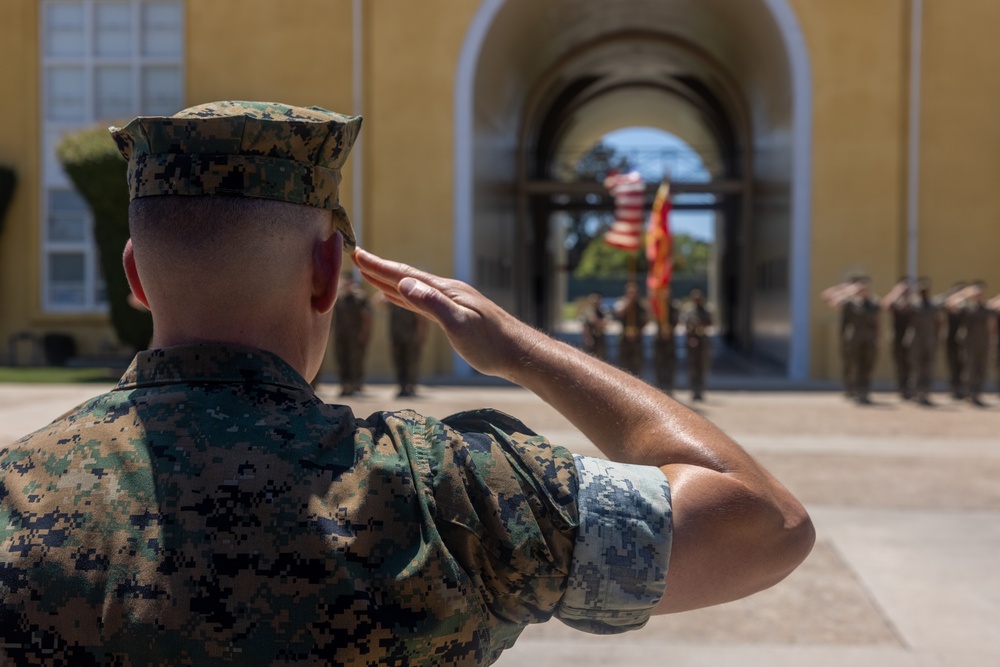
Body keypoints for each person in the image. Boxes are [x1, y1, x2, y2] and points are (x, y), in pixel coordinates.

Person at [0, 101, 814, 665]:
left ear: (137, 277)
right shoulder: (447, 493)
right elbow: (761, 522)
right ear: (328, 272)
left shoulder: (15, 497)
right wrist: (522, 350)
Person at [822, 275, 880, 404]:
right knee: (851, 366)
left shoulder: (873, 303)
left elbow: (877, 322)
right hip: (852, 340)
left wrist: (877, 338)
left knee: (866, 366)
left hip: (868, 340)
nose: (864, 290)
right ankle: (851, 389)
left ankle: (863, 391)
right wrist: (846, 289)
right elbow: (827, 297)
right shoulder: (849, 302)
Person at [947, 281, 992, 406]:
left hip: (983, 343)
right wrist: (965, 293)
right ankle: (969, 392)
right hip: (969, 343)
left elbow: (991, 322)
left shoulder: (985, 308)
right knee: (969, 369)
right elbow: (950, 305)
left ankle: (977, 393)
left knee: (981, 369)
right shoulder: (966, 307)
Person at [333, 272, 371, 396]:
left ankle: (355, 385)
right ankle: (345, 386)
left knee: (355, 361)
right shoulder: (338, 298)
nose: (347, 285)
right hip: (341, 335)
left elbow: (366, 317)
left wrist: (364, 333)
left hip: (355, 336)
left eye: (349, 282)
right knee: (342, 359)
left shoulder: (359, 298)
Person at [880, 278, 913, 400]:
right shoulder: (895, 303)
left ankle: (911, 388)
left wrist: (909, 295)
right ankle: (902, 388)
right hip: (898, 338)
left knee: (912, 364)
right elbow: (884, 305)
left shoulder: (913, 303)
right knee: (899, 363)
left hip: (912, 338)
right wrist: (895, 292)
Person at [388, 300, 427, 397]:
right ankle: (402, 387)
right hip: (397, 338)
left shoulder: (412, 302)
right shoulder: (394, 302)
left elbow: (421, 321)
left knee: (411, 363)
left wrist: (420, 336)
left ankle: (410, 387)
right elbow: (378, 303)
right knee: (399, 363)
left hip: (411, 339)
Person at [681, 289, 713, 401]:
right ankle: (693, 390)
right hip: (693, 339)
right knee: (692, 366)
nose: (697, 300)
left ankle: (700, 391)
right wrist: (690, 339)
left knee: (702, 366)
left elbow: (711, 322)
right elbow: (686, 325)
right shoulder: (689, 311)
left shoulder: (706, 309)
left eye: (699, 298)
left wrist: (702, 322)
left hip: (703, 339)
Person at [614, 281, 649, 376]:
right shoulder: (621, 302)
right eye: (630, 292)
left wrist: (638, 331)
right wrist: (629, 303)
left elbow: (646, 319)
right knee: (623, 366)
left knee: (636, 366)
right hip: (624, 339)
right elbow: (619, 312)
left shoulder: (641, 306)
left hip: (637, 339)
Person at [944, 281, 968, 400]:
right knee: (953, 364)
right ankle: (955, 388)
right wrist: (960, 295)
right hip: (952, 339)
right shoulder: (950, 301)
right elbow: (950, 304)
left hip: (967, 340)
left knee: (966, 365)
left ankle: (965, 389)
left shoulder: (968, 305)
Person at [652, 298, 680, 395]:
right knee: (659, 365)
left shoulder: (673, 307)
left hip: (670, 341)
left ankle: (669, 388)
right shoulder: (657, 306)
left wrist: (669, 331)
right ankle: (660, 387)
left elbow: (676, 320)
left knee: (670, 365)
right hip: (659, 341)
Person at [579, 292, 608, 360]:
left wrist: (598, 322)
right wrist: (587, 336)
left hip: (600, 338)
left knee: (600, 358)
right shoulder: (587, 312)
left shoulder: (602, 312)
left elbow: (605, 323)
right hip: (590, 337)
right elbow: (586, 324)